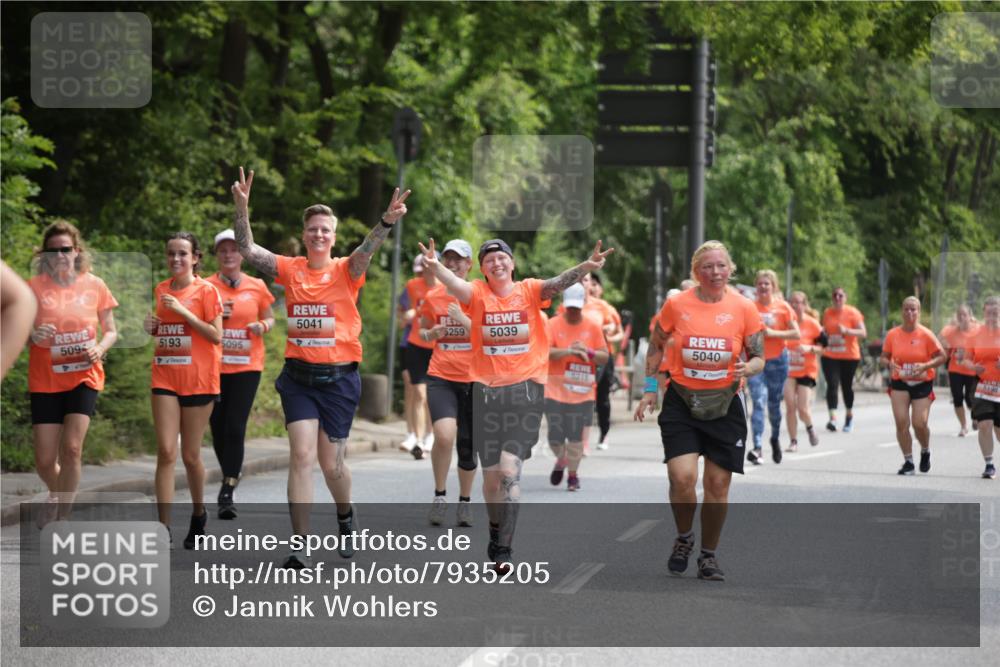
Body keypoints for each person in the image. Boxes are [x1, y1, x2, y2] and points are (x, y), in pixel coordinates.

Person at [231, 166, 409, 568]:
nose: (318, 235)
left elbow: (368, 250)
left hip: (340, 380)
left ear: (333, 236)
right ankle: (301, 543)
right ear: (305, 232)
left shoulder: (347, 270)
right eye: (312, 228)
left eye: (325, 230)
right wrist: (241, 207)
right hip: (299, 379)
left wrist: (384, 222)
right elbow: (246, 250)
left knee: (332, 466)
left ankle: (345, 516)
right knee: (301, 456)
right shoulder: (290, 268)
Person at [418, 237, 613, 572]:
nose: (497, 263)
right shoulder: (477, 294)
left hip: (525, 394)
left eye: (502, 257)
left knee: (510, 471)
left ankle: (505, 548)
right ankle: (495, 531)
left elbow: (557, 282)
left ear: (512, 263)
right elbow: (454, 282)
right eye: (489, 260)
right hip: (487, 395)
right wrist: (435, 267)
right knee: (491, 479)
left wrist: (586, 266)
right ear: (483, 268)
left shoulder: (530, 291)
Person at [635, 240, 764, 582]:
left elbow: (758, 354)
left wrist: (751, 368)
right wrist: (650, 390)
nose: (715, 272)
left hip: (725, 404)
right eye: (707, 266)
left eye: (721, 265)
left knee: (718, 485)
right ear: (696, 272)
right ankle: (683, 537)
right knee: (682, 478)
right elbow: (656, 344)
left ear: (730, 268)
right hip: (682, 401)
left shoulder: (744, 308)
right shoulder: (677, 305)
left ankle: (708, 555)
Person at [27, 222, 118, 523]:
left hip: (84, 374)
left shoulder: (95, 284)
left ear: (76, 251)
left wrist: (100, 348)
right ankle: (57, 493)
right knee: (43, 460)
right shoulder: (33, 287)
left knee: (73, 449)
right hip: (46, 378)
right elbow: (16, 330)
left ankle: (63, 519)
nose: (60, 255)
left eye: (65, 249)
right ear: (45, 254)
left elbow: (112, 331)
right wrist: (33, 335)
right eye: (53, 250)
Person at [144, 232, 222, 548]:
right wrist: (154, 328)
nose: (176, 259)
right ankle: (162, 528)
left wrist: (183, 311)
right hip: (165, 377)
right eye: (171, 253)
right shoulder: (161, 289)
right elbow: (170, 333)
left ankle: (199, 512)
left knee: (190, 456)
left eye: (182, 254)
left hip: (199, 380)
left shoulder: (207, 291)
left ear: (195, 258)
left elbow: (216, 336)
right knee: (166, 451)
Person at [206, 230, 276, 519]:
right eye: (223, 250)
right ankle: (229, 473)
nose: (229, 254)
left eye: (234, 249)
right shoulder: (205, 286)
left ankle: (227, 488)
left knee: (235, 426)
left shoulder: (257, 285)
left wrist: (264, 326)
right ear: (217, 255)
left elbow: (270, 315)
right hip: (212, 365)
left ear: (242, 255)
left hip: (247, 366)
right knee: (218, 428)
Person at [417, 239, 477, 526]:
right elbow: (423, 332)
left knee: (468, 446)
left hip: (476, 380)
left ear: (469, 264)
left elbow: (490, 334)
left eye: (459, 259)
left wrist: (463, 320)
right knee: (443, 436)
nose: (452, 264)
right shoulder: (433, 297)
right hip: (442, 375)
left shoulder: (480, 295)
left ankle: (464, 502)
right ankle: (440, 495)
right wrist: (432, 333)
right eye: (448, 259)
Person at [546, 283, 610, 491]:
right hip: (554, 390)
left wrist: (588, 352)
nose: (573, 311)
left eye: (576, 307)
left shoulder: (592, 326)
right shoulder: (553, 324)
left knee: (575, 436)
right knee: (555, 436)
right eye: (569, 307)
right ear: (564, 304)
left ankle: (573, 475)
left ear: (583, 303)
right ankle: (562, 459)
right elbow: (544, 352)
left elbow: (604, 357)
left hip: (582, 391)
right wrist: (568, 352)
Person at [879, 297, 946, 475]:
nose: (910, 313)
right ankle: (908, 462)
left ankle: (925, 450)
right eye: (907, 309)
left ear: (919, 312)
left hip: (922, 382)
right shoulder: (893, 334)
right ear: (902, 311)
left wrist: (925, 365)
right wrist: (889, 363)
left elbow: (942, 356)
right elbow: (883, 356)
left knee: (919, 423)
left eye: (913, 309)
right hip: (899, 381)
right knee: (901, 423)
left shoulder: (926, 334)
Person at [747, 270, 799, 464]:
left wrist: (771, 333)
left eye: (766, 284)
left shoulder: (783, 307)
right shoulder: (750, 307)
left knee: (774, 406)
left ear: (773, 286)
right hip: (756, 360)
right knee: (758, 402)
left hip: (777, 361)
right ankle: (757, 447)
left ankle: (775, 438)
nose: (762, 287)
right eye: (759, 283)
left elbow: (796, 334)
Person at [403, 254, 437, 458]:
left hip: (436, 347)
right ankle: (417, 439)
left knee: (431, 395)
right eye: (423, 266)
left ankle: (430, 436)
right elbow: (410, 309)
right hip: (415, 343)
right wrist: (408, 314)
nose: (426, 269)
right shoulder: (412, 285)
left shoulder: (445, 287)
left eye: (430, 265)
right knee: (419, 393)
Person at [585, 273, 623, 451]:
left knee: (602, 398)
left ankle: (604, 433)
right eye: (587, 283)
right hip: (581, 357)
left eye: (594, 284)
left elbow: (619, 332)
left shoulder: (604, 307)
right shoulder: (571, 305)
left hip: (603, 356)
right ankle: (579, 439)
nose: (591, 287)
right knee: (581, 396)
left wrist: (607, 333)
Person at [821, 286, 867, 432]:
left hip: (849, 356)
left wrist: (847, 331)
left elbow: (863, 332)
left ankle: (849, 416)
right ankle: (833, 418)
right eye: (835, 295)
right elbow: (824, 330)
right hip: (830, 355)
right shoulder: (827, 313)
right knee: (832, 385)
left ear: (845, 297)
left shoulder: (853, 312)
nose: (837, 298)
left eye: (840, 295)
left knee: (847, 387)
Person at [783, 291, 824, 452]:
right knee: (790, 406)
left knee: (802, 409)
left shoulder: (813, 324)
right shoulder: (785, 323)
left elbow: (824, 349)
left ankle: (810, 427)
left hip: (807, 370)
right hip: (788, 369)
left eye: (799, 302)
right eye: (792, 302)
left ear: (805, 305)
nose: (795, 305)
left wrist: (809, 348)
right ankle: (793, 441)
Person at [965, 296, 1000, 479]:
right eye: (989, 313)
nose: (992, 317)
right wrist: (972, 367)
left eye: (996, 313)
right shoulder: (975, 335)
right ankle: (989, 464)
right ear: (983, 313)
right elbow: (964, 358)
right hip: (982, 385)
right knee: (985, 424)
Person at [940, 304, 980, 437]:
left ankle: (975, 417)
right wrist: (944, 347)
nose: (962, 317)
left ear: (970, 316)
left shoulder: (977, 331)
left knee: (970, 399)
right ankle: (963, 426)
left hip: (972, 371)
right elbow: (942, 345)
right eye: (959, 315)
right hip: (955, 370)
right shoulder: (951, 332)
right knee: (957, 398)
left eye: (964, 315)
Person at [1, 261, 37, 380]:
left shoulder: (94, 284)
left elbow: (21, 299)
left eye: (65, 249)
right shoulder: (36, 283)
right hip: (43, 379)